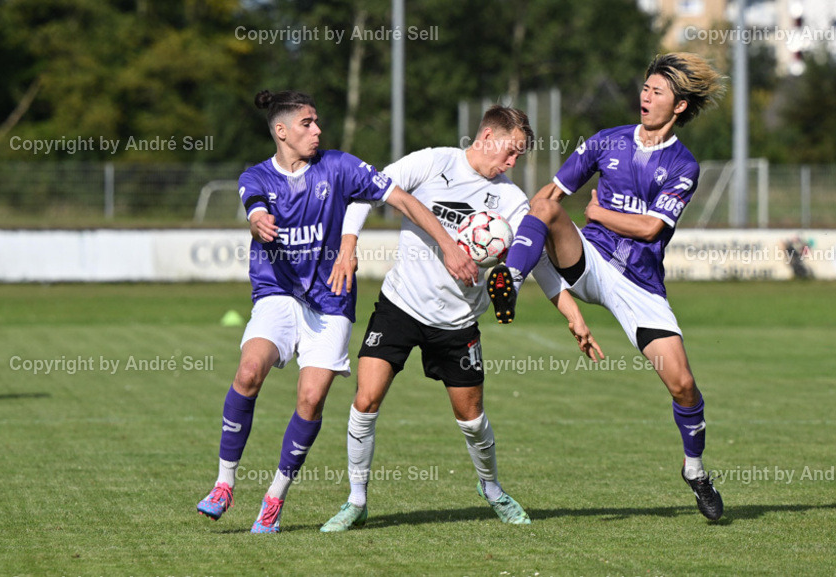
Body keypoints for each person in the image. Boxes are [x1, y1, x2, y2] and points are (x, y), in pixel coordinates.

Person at [195, 89, 478, 533]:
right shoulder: (256, 177)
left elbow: (401, 199)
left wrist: (447, 245)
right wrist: (256, 221)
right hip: (278, 293)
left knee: (310, 399)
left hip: (331, 300)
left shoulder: (340, 166)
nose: (317, 130)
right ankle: (224, 483)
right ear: (282, 131)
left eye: (318, 122)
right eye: (308, 123)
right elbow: (254, 207)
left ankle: (274, 498)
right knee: (249, 372)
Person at [319, 105, 603, 532]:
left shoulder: (510, 200)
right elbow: (367, 190)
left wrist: (573, 314)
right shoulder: (434, 161)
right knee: (366, 400)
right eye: (510, 152)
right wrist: (347, 244)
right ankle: (356, 501)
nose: (512, 163)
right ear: (486, 136)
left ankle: (491, 489)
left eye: (519, 157)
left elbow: (541, 263)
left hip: (458, 323)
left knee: (471, 420)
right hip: (401, 305)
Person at [486, 53, 726, 520]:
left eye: (657, 92)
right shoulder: (605, 142)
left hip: (640, 286)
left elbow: (651, 229)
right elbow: (549, 198)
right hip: (589, 261)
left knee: (683, 386)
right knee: (549, 210)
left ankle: (694, 471)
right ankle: (509, 281)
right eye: (645, 87)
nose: (645, 96)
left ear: (678, 106)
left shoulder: (683, 165)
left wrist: (597, 213)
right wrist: (531, 240)